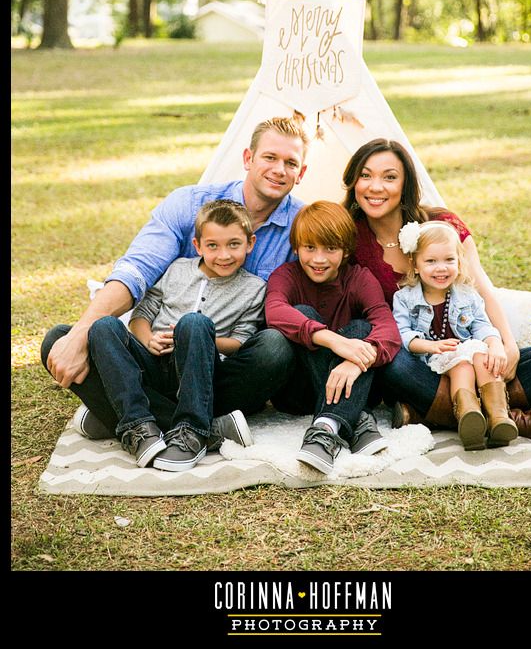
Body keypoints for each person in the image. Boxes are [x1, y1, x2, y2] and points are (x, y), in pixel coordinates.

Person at [41, 117, 309, 440]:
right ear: (248, 159)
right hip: (158, 360)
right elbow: (136, 271)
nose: (279, 169)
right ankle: (205, 428)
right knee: (58, 338)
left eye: (290, 162)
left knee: (275, 349)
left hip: (223, 369)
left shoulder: (301, 225)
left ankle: (122, 411)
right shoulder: (188, 204)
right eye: (270, 157)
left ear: (301, 173)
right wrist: (81, 333)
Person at [342, 138, 531, 444]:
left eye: (389, 177)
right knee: (390, 363)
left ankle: (432, 414)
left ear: (406, 184)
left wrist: (506, 345)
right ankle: (513, 419)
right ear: (354, 181)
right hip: (418, 364)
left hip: (474, 357)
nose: (376, 187)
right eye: (365, 175)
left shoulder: (442, 224)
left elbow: (482, 288)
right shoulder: (348, 236)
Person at [81, 200, 267, 470]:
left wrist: (198, 339)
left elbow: (240, 341)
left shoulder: (254, 288)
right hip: (154, 366)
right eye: (213, 246)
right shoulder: (177, 269)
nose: (224, 255)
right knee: (101, 327)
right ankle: (138, 425)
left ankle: (190, 429)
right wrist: (148, 340)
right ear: (197, 246)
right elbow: (141, 315)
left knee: (193, 323)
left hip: (201, 375)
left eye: (234, 244)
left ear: (250, 243)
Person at [265, 201, 401, 474]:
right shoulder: (286, 276)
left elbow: (387, 327)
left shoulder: (359, 279)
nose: (318, 259)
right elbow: (275, 311)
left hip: (354, 380)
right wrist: (331, 340)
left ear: (346, 251)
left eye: (330, 249)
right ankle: (357, 417)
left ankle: (325, 428)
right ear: (296, 247)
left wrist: (356, 360)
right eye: (310, 248)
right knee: (302, 313)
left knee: (362, 330)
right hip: (299, 392)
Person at [394, 220, 518, 450]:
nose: (441, 268)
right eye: (431, 261)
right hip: (436, 361)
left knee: (484, 360)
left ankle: (498, 417)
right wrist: (429, 346)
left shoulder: (466, 294)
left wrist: (495, 344)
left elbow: (482, 324)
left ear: (459, 262)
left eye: (449, 260)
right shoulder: (404, 299)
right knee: (462, 365)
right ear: (416, 264)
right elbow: (402, 334)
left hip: (469, 350)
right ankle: (468, 416)